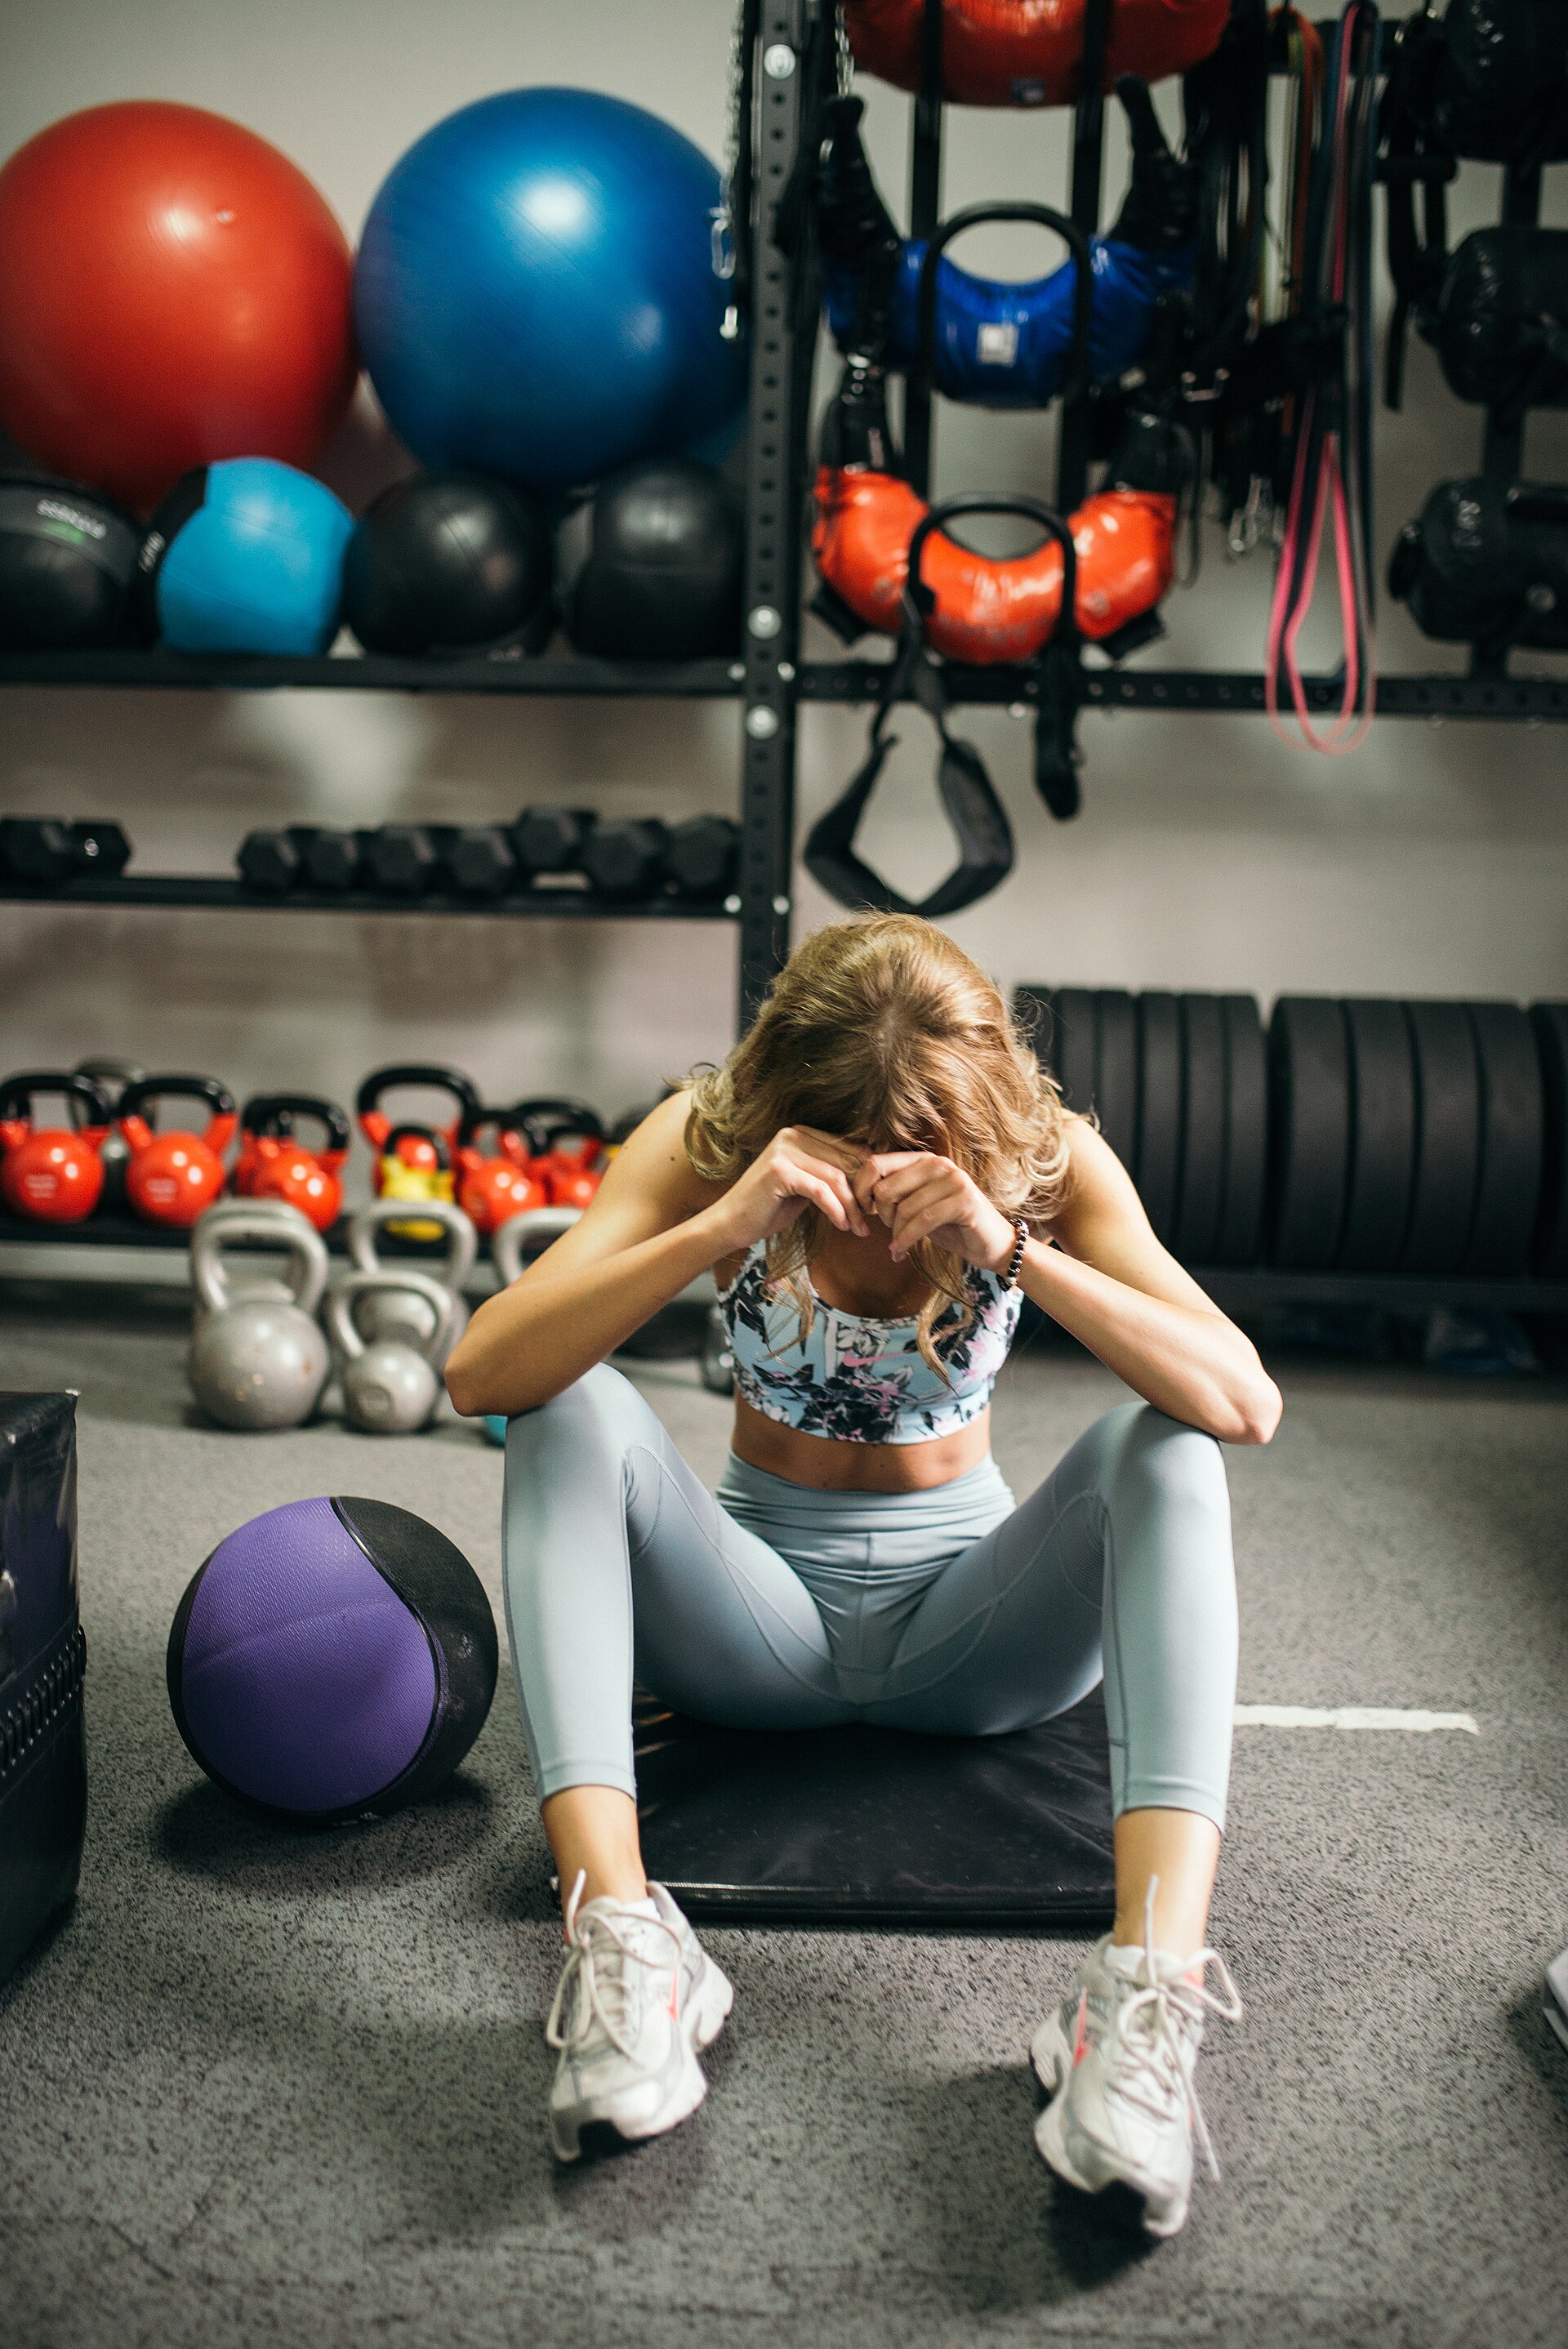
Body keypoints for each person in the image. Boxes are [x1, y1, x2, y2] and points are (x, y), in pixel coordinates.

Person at [445, 914, 1281, 2237]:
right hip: (744, 1623)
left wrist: (1010, 1245)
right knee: (564, 1406)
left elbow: (1246, 1399)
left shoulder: (1050, 1164)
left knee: (1169, 1448)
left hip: (980, 1636)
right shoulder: (707, 1140)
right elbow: (481, 1374)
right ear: (784, 1103)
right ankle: (622, 1942)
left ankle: (1141, 1998)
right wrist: (720, 1222)